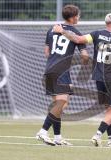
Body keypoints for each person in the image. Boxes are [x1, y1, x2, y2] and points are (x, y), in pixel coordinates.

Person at [53, 13, 111, 147]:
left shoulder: (96, 34)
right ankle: (98, 134)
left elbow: (78, 39)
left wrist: (63, 31)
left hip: (99, 77)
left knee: (107, 109)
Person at [36, 4, 89, 146]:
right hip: (61, 71)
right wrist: (84, 61)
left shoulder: (52, 29)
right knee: (62, 103)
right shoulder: (76, 33)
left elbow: (47, 52)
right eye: (78, 15)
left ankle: (58, 137)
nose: (79, 18)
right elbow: (84, 56)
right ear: (72, 18)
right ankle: (43, 131)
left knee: (58, 104)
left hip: (49, 69)